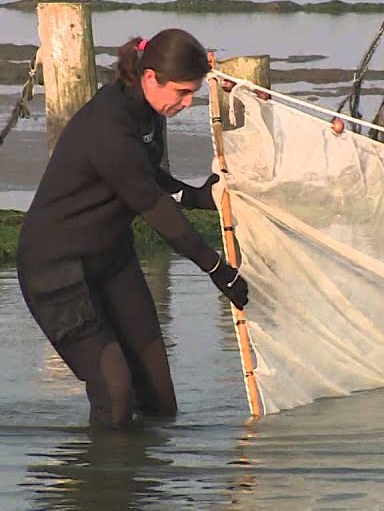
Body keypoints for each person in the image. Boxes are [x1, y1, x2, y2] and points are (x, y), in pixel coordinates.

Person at [16, 27, 249, 428]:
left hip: (111, 260)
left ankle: (147, 487)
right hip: (56, 271)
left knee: (159, 397)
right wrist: (216, 268)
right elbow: (151, 206)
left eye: (192, 92)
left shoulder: (148, 110)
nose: (188, 102)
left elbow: (147, 176)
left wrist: (196, 197)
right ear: (149, 77)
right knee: (115, 391)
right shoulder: (109, 125)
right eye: (181, 92)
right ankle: (105, 485)